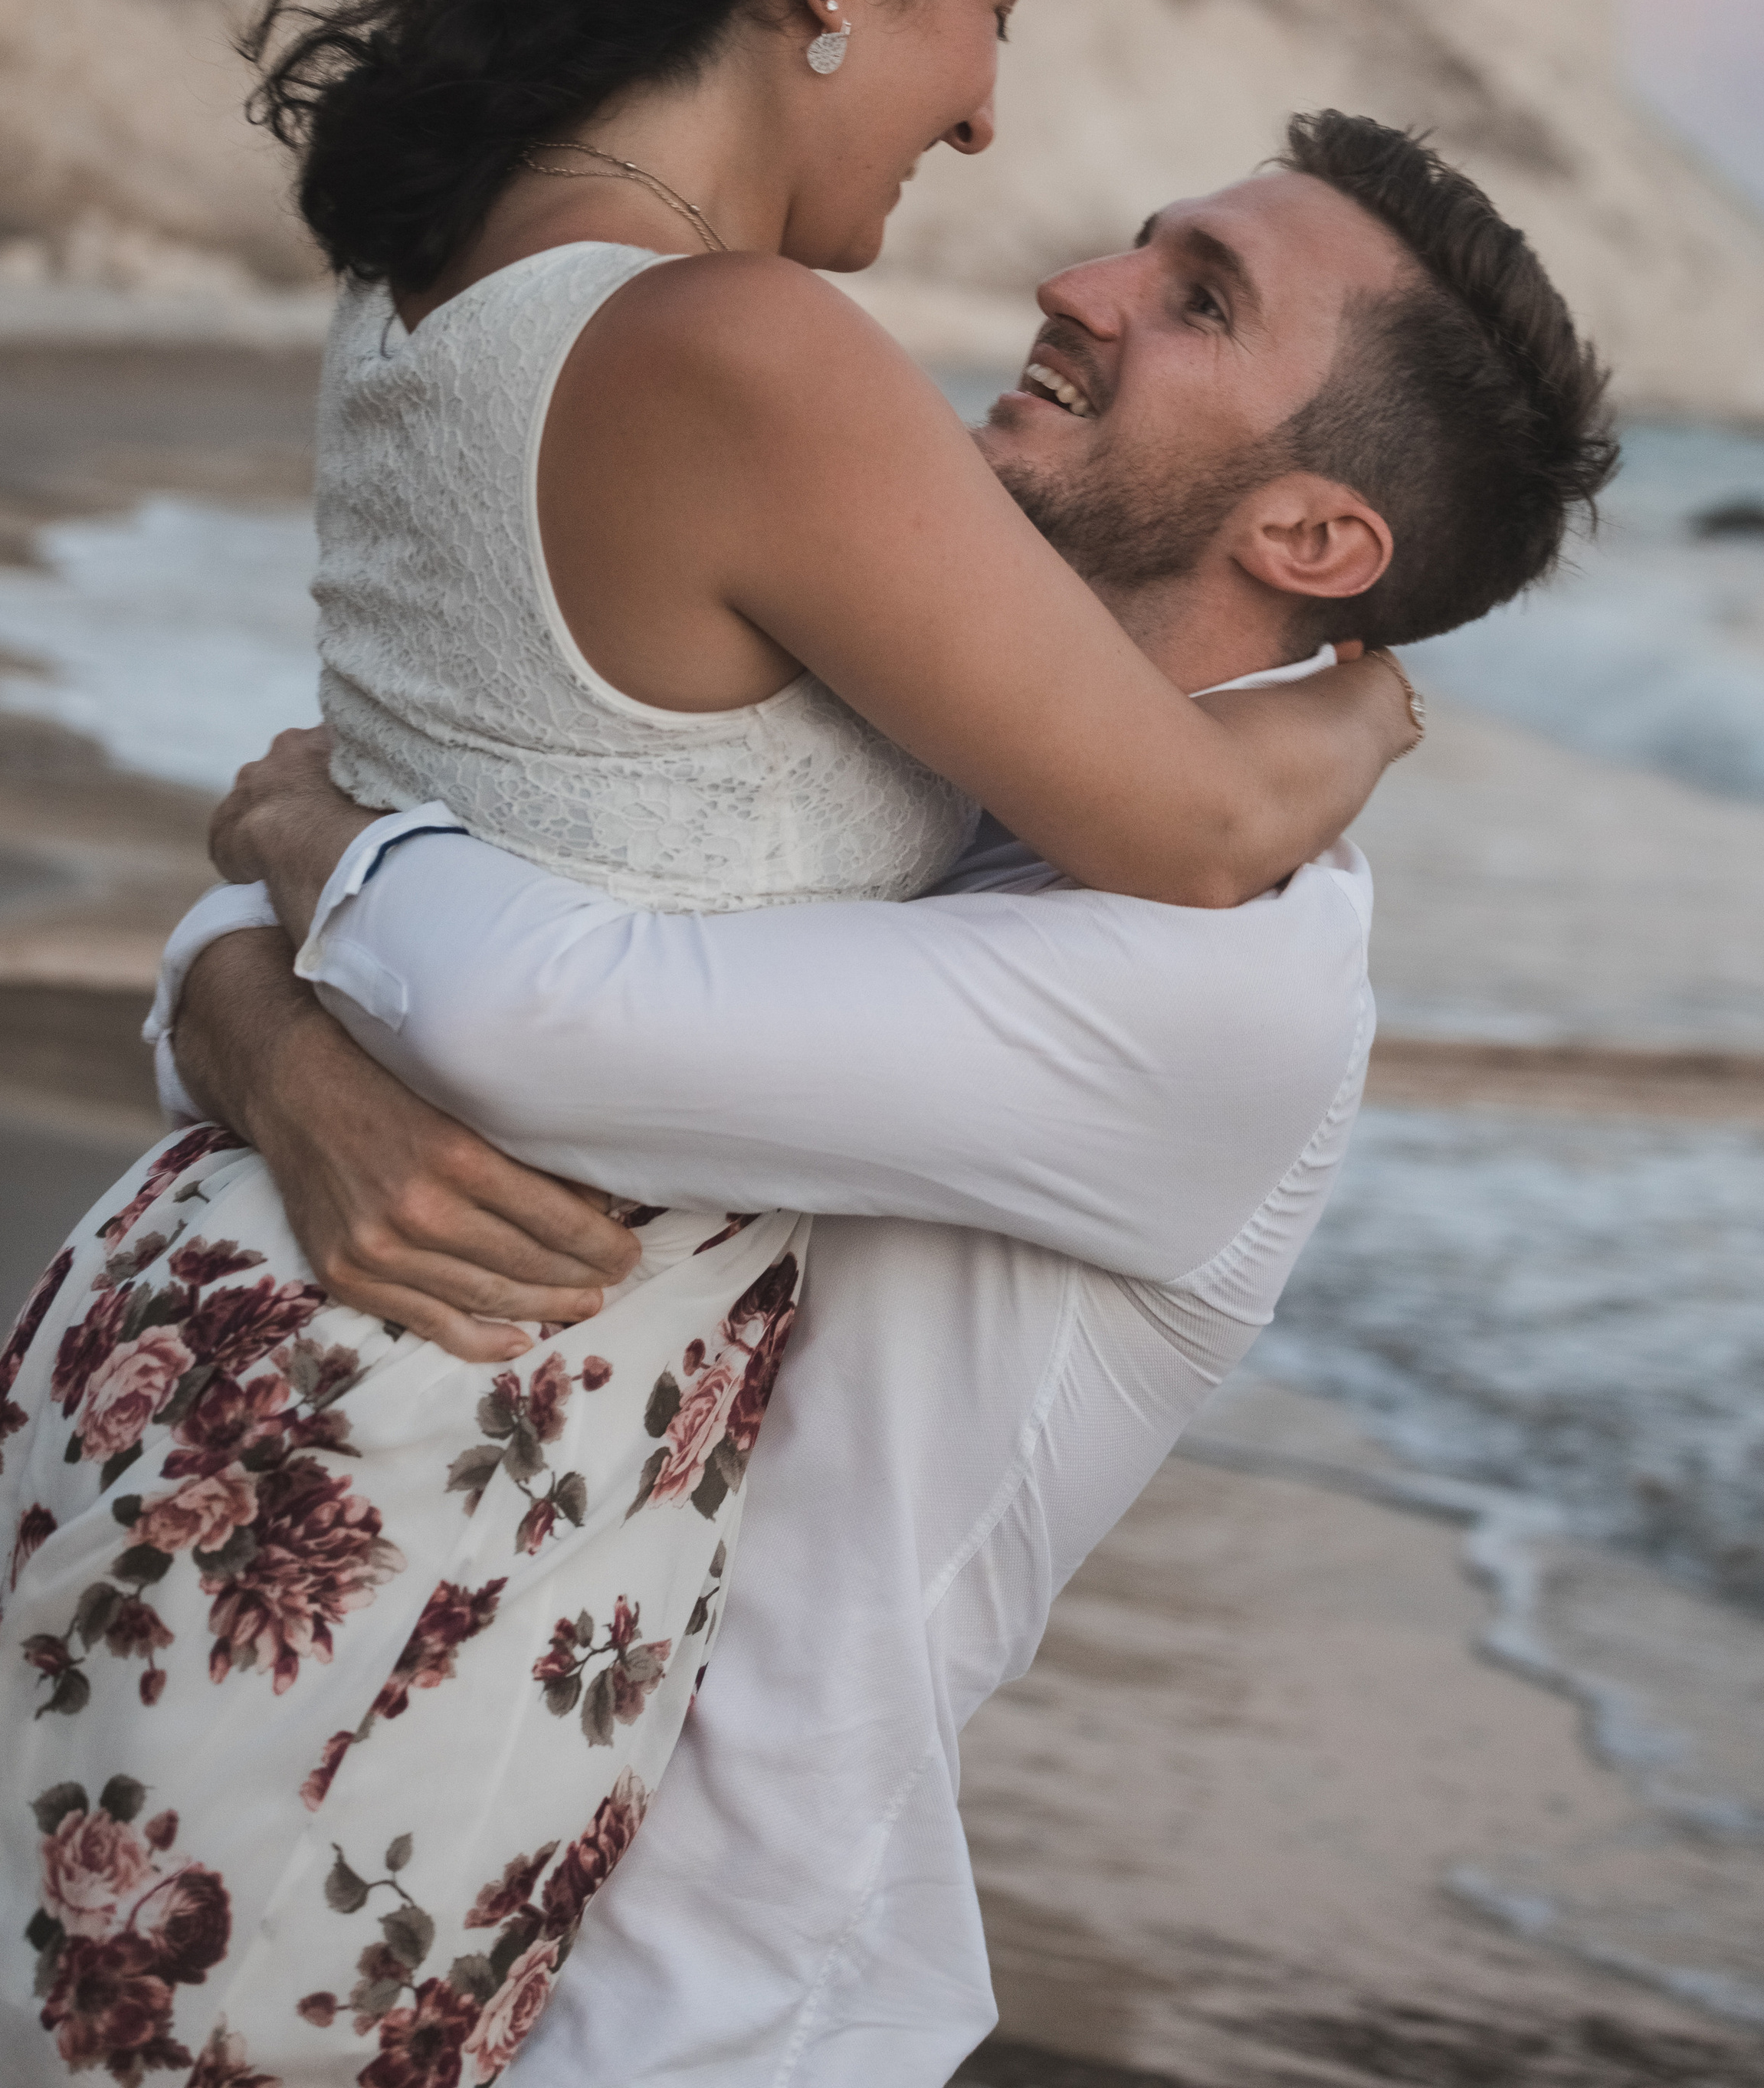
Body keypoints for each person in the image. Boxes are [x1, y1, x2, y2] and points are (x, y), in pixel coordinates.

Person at [0, 0, 1408, 2085]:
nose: (990, 108)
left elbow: (428, 801)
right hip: (407, 1467)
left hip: (214, 1330)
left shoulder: (447, 273)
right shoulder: (744, 348)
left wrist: (260, 947)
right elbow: (1201, 822)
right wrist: (1370, 692)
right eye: (990, 12)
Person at [158, 118, 1617, 2083]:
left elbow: (522, 1012)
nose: (1075, 289)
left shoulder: (1229, 983)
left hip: (667, 1997)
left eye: (1197, 301)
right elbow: (400, 923)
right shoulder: (891, 744)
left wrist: (292, 839)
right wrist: (257, 1020)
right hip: (352, 1823)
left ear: (1309, 544)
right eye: (1139, 244)